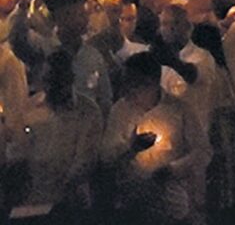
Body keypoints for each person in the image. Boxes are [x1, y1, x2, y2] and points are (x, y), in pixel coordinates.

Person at [102, 50, 209, 224]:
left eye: (134, 83)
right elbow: (106, 155)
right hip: (132, 203)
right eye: (126, 82)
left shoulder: (179, 109)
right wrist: (132, 148)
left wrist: (172, 170)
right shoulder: (119, 111)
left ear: (151, 82)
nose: (127, 89)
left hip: (172, 202)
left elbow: (202, 151)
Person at [8, 48, 103, 217]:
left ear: (70, 79)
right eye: (47, 80)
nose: (50, 87)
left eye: (57, 81)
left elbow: (84, 162)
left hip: (68, 200)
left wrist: (61, 193)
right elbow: (18, 151)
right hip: (31, 198)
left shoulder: (87, 112)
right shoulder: (30, 109)